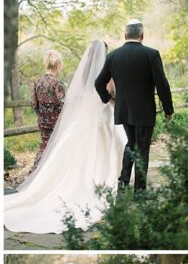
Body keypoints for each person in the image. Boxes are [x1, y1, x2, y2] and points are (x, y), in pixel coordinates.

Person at [5, 41, 125, 235]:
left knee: (53, 152)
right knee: (114, 144)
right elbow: (107, 96)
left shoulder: (80, 76)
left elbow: (42, 103)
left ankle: (45, 182)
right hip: (96, 119)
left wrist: (43, 114)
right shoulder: (105, 74)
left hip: (65, 121)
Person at [94, 20, 174, 192]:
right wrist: (168, 109)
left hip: (123, 109)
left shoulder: (113, 56)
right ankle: (139, 189)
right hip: (144, 110)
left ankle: (123, 179)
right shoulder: (151, 54)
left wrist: (109, 99)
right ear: (142, 36)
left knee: (131, 143)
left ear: (125, 35)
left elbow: (98, 83)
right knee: (142, 147)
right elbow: (162, 84)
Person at [30, 49, 66, 171]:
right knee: (57, 147)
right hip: (56, 122)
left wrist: (41, 114)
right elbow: (63, 103)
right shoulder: (58, 83)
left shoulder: (37, 82)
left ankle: (36, 171)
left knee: (44, 146)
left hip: (42, 120)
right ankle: (53, 173)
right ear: (57, 65)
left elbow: (34, 103)